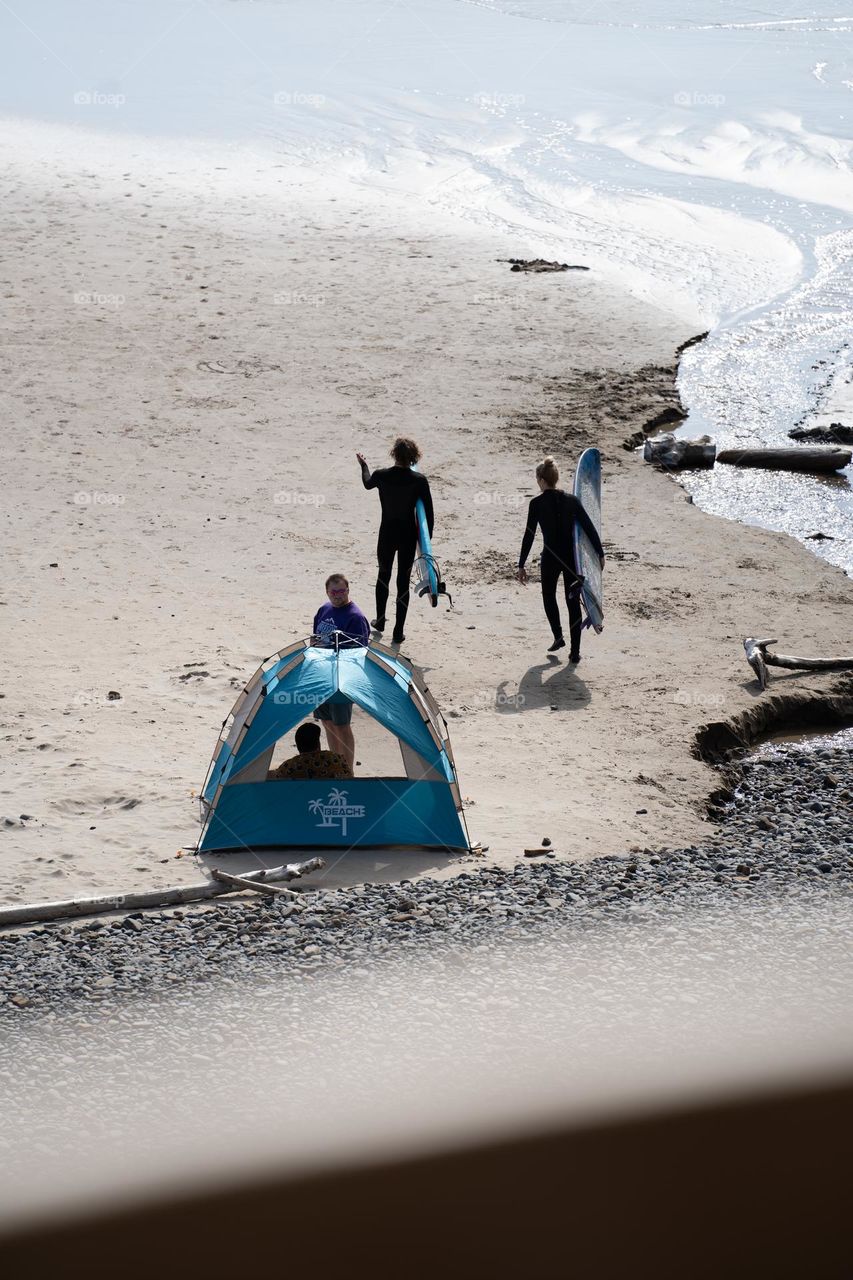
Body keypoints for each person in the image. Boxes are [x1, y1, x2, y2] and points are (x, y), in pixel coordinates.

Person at [516, 456, 605, 661]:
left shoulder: (536, 504)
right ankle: (575, 653)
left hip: (550, 558)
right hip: (572, 559)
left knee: (549, 596)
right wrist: (599, 553)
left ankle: (558, 636)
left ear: (541, 480)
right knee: (572, 602)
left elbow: (529, 534)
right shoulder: (572, 501)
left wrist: (521, 564)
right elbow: (589, 528)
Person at [357, 436, 434, 646]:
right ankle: (398, 631)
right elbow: (428, 513)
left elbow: (367, 483)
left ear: (394, 454)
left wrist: (364, 465)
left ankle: (380, 621)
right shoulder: (419, 481)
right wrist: (426, 544)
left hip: (387, 533)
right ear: (414, 457)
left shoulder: (381, 476)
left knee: (383, 574)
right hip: (408, 535)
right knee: (402, 582)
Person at [311, 573, 370, 771]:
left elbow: (359, 652)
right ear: (327, 592)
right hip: (321, 676)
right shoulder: (324, 610)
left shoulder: (355, 617)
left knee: (342, 725)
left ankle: (347, 770)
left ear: (348, 590)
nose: (338, 595)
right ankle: (336, 766)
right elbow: (316, 638)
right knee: (327, 722)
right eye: (333, 592)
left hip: (341, 679)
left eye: (341, 591)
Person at [270, 721, 352, 781]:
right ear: (318, 744)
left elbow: (276, 779)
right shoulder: (336, 760)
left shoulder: (289, 767)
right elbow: (349, 778)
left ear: (298, 746)